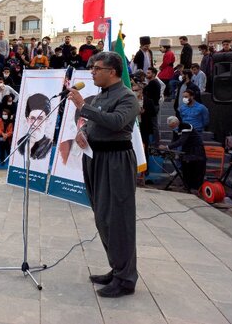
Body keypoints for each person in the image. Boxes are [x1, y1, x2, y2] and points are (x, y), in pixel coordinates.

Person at [67, 51, 140, 298]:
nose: (92, 72)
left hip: (116, 161)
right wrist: (84, 131)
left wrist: (83, 107)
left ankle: (126, 279)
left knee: (118, 219)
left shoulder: (128, 97)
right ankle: (118, 268)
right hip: (96, 158)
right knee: (103, 216)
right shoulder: (100, 96)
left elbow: (116, 122)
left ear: (112, 71)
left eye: (96, 68)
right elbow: (94, 122)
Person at [161, 116, 206, 190]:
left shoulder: (186, 126)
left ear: (176, 123)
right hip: (187, 149)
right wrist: (169, 149)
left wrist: (167, 147)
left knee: (195, 167)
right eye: (171, 127)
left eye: (172, 126)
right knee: (185, 167)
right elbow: (174, 140)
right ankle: (187, 185)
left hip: (196, 149)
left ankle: (195, 187)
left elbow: (181, 141)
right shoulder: (176, 129)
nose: (172, 129)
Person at [17, 93, 53, 161]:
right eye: (32, 118)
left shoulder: (48, 145)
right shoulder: (20, 144)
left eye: (40, 118)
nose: (35, 123)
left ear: (47, 120)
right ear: (27, 120)